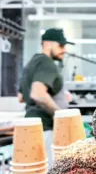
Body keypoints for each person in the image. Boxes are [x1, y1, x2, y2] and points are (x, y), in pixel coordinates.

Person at [18, 28, 74, 166]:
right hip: (46, 128)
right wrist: (62, 116)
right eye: (60, 45)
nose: (64, 50)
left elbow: (21, 97)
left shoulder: (32, 63)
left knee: (36, 172)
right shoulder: (46, 63)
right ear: (47, 44)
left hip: (31, 127)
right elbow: (38, 94)